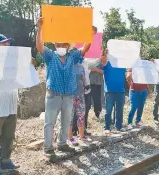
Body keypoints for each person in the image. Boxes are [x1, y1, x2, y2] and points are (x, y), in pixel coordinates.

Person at [35, 17, 92, 159]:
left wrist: (88, 34)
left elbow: (85, 48)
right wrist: (40, 28)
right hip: (53, 95)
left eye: (64, 44)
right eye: (59, 44)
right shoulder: (50, 56)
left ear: (68, 46)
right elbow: (39, 46)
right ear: (55, 45)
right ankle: (48, 148)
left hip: (68, 96)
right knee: (50, 123)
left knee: (66, 121)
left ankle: (62, 144)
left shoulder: (73, 56)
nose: (61, 46)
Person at [0, 34, 34, 174]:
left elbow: (23, 79)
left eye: (8, 44)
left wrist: (29, 67)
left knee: (9, 135)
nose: (8, 46)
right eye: (4, 44)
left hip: (10, 105)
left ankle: (5, 160)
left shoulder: (14, 62)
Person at [101, 49, 126, 135]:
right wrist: (105, 53)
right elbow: (103, 60)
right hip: (109, 91)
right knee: (108, 111)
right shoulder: (107, 61)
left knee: (120, 110)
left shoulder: (123, 63)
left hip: (121, 90)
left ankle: (118, 126)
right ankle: (107, 127)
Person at [68, 63, 91, 145]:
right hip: (70, 95)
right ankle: (70, 137)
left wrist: (86, 85)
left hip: (80, 95)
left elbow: (83, 77)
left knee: (81, 115)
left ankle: (81, 135)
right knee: (69, 117)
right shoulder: (68, 65)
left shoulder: (81, 66)